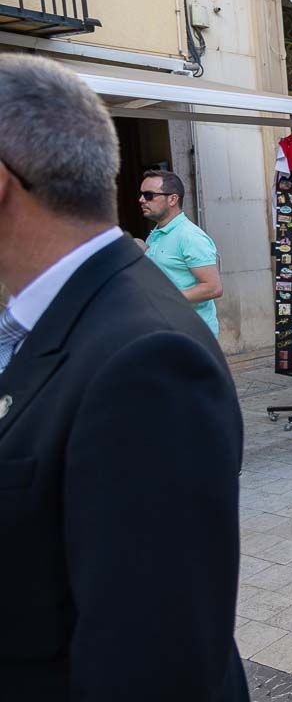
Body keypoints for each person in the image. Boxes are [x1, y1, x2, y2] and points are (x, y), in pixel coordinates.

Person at [0, 54, 247, 699]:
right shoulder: (61, 313)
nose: (144, 202)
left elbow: (154, 659)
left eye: (152, 194)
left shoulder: (147, 364)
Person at [140, 169, 223, 336]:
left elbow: (213, 288)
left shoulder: (190, 236)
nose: (141, 200)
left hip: (193, 335)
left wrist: (164, 298)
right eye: (141, 194)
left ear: (172, 199)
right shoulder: (156, 234)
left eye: (149, 195)